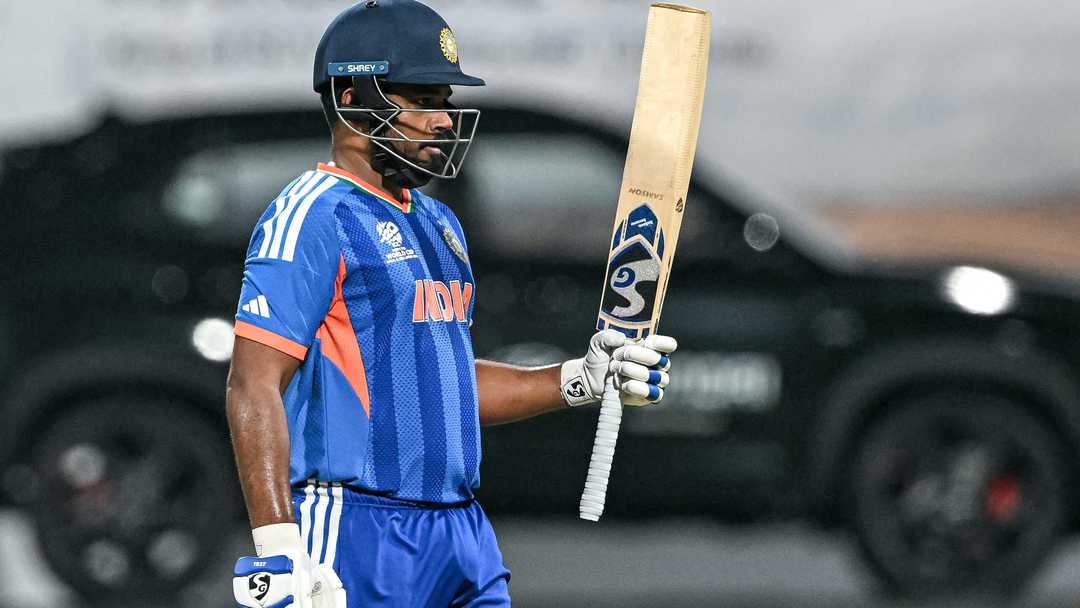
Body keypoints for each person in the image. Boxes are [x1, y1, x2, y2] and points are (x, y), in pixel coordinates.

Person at [227, 2, 678, 607]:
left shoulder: (439, 222)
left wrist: (577, 380)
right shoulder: (312, 214)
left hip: (461, 530)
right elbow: (252, 385)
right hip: (356, 527)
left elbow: (447, 389)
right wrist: (278, 546)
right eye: (424, 99)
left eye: (445, 99)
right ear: (354, 99)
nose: (444, 119)